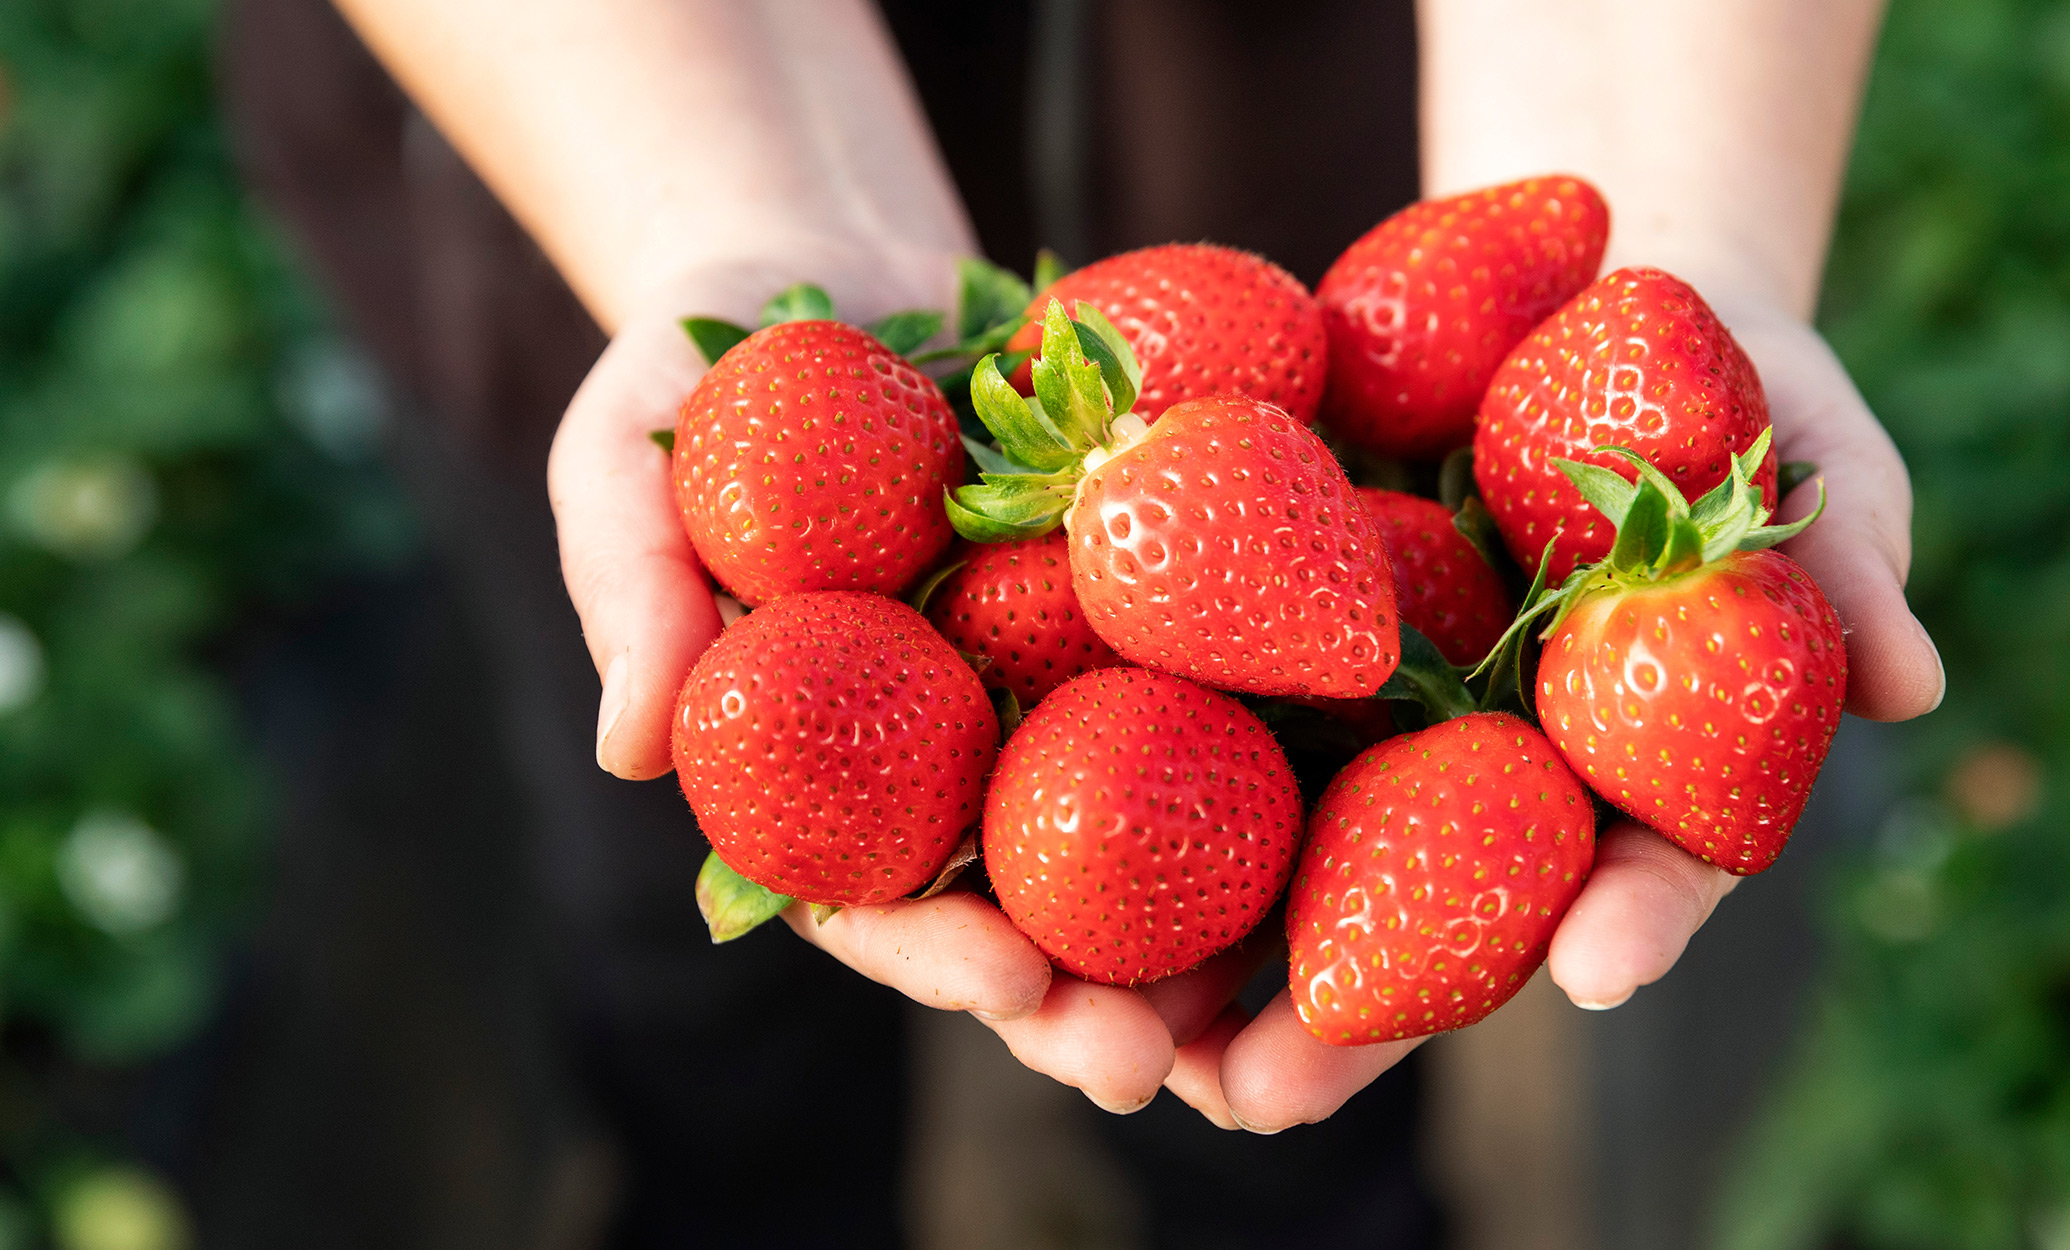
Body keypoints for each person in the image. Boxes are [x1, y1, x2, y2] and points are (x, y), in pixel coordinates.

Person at [226, 0, 1941, 1241]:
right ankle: (740, 1184)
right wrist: (741, 215)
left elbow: (1353, 468)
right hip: (612, 74)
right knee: (677, 864)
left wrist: (1663, 202)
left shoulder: (1295, 507)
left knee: (1277, 1073)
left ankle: (1290, 1211)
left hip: (1340, 111)